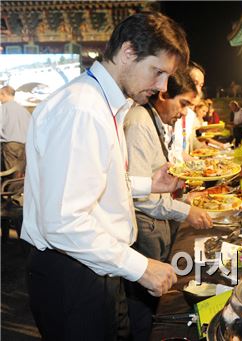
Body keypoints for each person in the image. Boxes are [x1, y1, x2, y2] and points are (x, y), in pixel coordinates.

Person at [21, 12, 188, 340]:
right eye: (158, 72)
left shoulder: (103, 103)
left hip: (97, 263)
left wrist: (148, 184)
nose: (162, 87)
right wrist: (140, 266)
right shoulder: (82, 109)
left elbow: (93, 183)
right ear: (128, 52)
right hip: (73, 273)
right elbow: (63, 221)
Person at [125, 69, 212, 262]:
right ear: (163, 94)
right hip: (147, 223)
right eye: (182, 104)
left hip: (158, 217)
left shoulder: (154, 120)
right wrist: (185, 211)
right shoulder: (140, 122)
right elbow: (139, 194)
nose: (183, 113)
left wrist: (184, 200)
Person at [170, 61, 206, 160]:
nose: (198, 91)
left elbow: (182, 148)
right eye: (194, 83)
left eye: (201, 85)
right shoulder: (168, 113)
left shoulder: (190, 115)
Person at [0, 85, 31, 178]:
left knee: (10, 174)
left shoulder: (3, 109)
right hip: (24, 146)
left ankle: (12, 192)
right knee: (20, 173)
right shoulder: (24, 110)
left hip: (10, 146)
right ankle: (19, 191)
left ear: (4, 94)